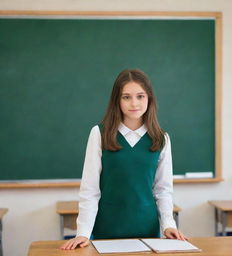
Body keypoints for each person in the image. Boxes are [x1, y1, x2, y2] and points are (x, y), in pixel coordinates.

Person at [61, 69, 186, 250]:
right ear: (117, 101)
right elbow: (90, 189)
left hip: (147, 229)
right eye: (126, 97)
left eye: (140, 96)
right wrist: (83, 232)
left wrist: (169, 225)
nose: (134, 103)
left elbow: (163, 190)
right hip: (107, 228)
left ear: (149, 98)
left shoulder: (161, 138)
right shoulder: (100, 133)